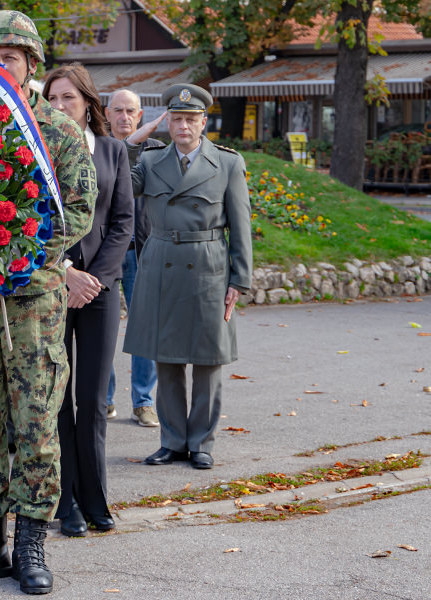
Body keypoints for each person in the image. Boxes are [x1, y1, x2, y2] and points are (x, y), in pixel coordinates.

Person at [0, 11, 95, 595]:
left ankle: (31, 544)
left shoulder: (55, 128)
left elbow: (79, 208)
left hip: (32, 303)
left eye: (11, 56)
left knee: (35, 422)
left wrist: (19, 252)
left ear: (32, 64)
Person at [125, 84, 253, 471]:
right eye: (176, 119)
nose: (183, 126)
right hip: (161, 262)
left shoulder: (227, 163)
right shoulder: (149, 161)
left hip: (208, 265)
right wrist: (132, 142)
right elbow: (115, 186)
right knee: (166, 359)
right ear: (167, 123)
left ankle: (201, 443)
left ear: (204, 122)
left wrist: (240, 279)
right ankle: (172, 441)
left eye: (190, 119)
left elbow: (241, 224)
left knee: (207, 360)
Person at [42, 65, 134, 538]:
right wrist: (65, 273)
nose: (59, 107)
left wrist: (93, 280)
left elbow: (123, 223)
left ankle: (96, 499)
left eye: (68, 99)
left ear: (88, 104)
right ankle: (65, 504)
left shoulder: (114, 151)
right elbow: (31, 223)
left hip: (99, 291)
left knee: (93, 401)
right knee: (57, 401)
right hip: (51, 287)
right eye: (51, 99)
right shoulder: (36, 153)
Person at [104, 89, 162, 427]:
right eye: (118, 111)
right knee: (103, 330)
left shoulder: (156, 153)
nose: (125, 117)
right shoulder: (97, 148)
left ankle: (143, 402)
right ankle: (105, 398)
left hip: (144, 252)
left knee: (144, 328)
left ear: (140, 116)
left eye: (131, 111)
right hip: (107, 253)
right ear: (107, 114)